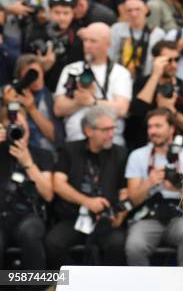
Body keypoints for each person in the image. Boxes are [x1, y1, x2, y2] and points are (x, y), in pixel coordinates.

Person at [45, 106, 128, 269]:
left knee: (117, 244)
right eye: (106, 130)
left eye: (113, 129)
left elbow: (125, 191)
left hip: (107, 219)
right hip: (74, 216)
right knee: (52, 243)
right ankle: (74, 283)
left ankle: (107, 285)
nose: (111, 134)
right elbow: (58, 184)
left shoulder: (120, 153)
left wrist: (120, 215)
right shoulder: (70, 150)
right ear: (89, 131)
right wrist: (87, 202)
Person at [125, 107, 183, 266]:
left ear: (172, 129)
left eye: (158, 126)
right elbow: (132, 200)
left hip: (180, 214)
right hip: (148, 214)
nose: (152, 131)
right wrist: (149, 182)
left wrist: (179, 188)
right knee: (134, 246)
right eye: (150, 127)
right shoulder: (137, 156)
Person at [54, 23, 132, 145]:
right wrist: (78, 102)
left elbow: (121, 109)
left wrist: (93, 102)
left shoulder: (120, 73)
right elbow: (58, 109)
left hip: (110, 143)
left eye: (93, 41)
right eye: (85, 40)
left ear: (107, 44)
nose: (87, 45)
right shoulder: (71, 69)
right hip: (75, 142)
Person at [0, 105, 53, 270]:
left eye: (20, 128)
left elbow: (48, 194)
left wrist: (28, 163)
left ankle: (35, 287)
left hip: (28, 215)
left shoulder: (42, 155)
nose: (16, 133)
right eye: (11, 128)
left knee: (30, 233)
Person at [127, 40, 183, 150]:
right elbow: (137, 111)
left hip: (178, 150)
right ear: (156, 60)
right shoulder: (142, 83)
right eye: (169, 60)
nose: (174, 65)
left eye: (177, 59)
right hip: (144, 149)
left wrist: (171, 110)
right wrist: (156, 75)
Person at [2, 54, 62, 150]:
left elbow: (57, 138)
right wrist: (6, 104)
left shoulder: (50, 98)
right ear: (20, 77)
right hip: (17, 150)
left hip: (46, 155)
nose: (36, 78)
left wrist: (32, 109)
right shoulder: (10, 94)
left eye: (38, 73)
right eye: (30, 75)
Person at [109, 0, 166, 79]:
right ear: (124, 12)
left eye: (137, 9)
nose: (133, 14)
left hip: (147, 79)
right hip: (121, 78)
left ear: (146, 10)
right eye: (129, 10)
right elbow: (110, 56)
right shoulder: (116, 30)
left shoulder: (158, 33)